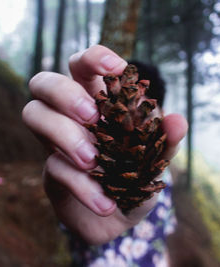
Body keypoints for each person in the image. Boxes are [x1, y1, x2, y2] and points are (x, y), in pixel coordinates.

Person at [22, 45, 188, 266]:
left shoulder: (164, 179)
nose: (133, 124)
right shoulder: (88, 171)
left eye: (145, 112)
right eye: (124, 112)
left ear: (162, 115)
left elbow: (161, 243)